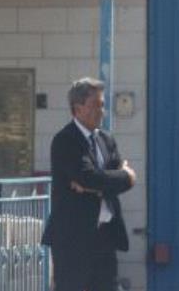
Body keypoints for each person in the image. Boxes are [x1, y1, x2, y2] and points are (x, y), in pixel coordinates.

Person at [41, 77, 136, 291]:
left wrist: (126, 177)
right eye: (96, 105)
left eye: (103, 105)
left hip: (105, 235)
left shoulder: (106, 139)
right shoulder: (65, 140)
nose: (102, 111)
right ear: (78, 108)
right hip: (73, 238)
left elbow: (117, 180)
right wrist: (109, 179)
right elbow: (87, 176)